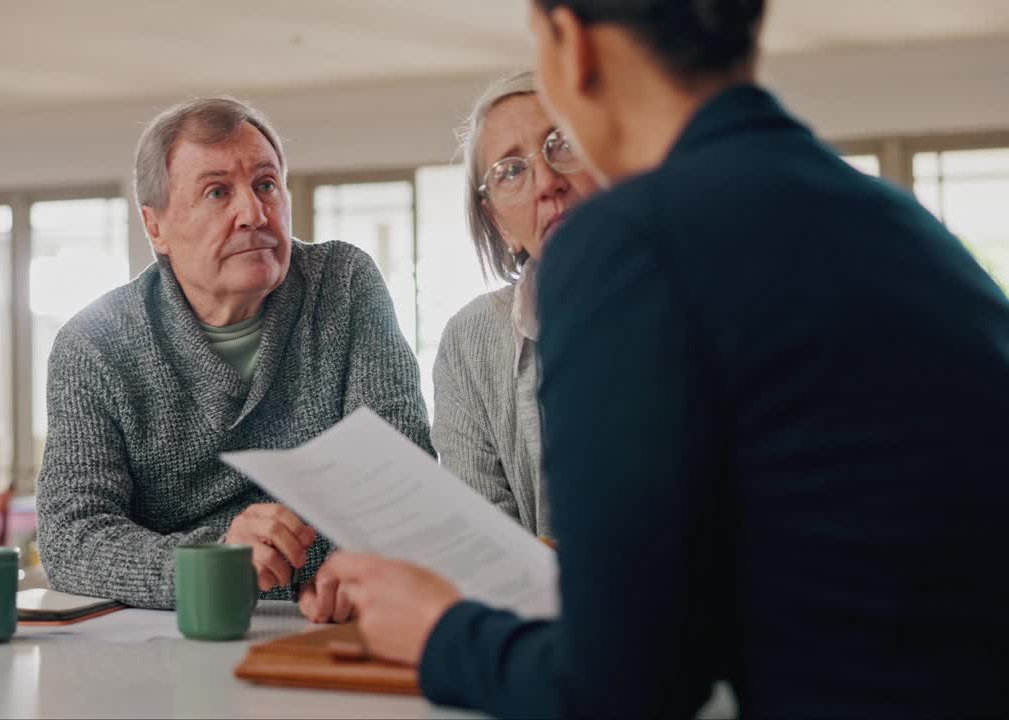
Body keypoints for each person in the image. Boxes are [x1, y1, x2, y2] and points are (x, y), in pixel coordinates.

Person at [313, 0, 1009, 717]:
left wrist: (439, 636)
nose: (546, 183)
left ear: (570, 44)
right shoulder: (901, 224)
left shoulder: (630, 241)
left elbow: (623, 686)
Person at [36, 97, 432, 618]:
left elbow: (400, 471)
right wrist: (212, 561)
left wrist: (353, 562)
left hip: (330, 620)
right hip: (171, 633)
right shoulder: (95, 344)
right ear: (156, 227)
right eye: (217, 192)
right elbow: (71, 537)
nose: (254, 213)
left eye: (266, 185)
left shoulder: (343, 284)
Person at [432, 71, 601, 537]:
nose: (546, 182)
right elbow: (481, 544)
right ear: (500, 224)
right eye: (510, 170)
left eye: (562, 143)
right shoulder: (470, 343)